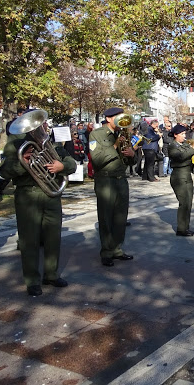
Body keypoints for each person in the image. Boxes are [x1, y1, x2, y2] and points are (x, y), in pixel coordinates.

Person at [0, 109, 76, 296]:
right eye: (39, 124)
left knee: (53, 238)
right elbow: (4, 172)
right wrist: (22, 161)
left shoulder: (53, 145)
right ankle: (32, 280)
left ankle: (51, 274)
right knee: (29, 240)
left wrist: (62, 166)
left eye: (42, 124)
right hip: (28, 196)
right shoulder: (15, 145)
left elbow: (72, 163)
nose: (42, 127)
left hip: (51, 196)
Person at [89, 107, 136, 267]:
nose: (121, 119)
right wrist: (115, 145)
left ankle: (117, 249)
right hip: (105, 181)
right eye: (117, 116)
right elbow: (97, 159)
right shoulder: (96, 134)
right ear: (109, 118)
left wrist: (131, 154)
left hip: (121, 179)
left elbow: (129, 162)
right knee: (106, 217)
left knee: (121, 217)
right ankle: (106, 251)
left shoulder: (121, 133)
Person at [167, 124, 194, 236]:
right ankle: (181, 229)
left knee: (188, 203)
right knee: (184, 202)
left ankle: (185, 227)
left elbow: (188, 154)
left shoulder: (184, 144)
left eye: (185, 133)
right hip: (179, 176)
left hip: (187, 175)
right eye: (182, 134)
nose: (184, 136)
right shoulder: (172, 146)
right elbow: (181, 156)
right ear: (175, 135)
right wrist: (192, 148)